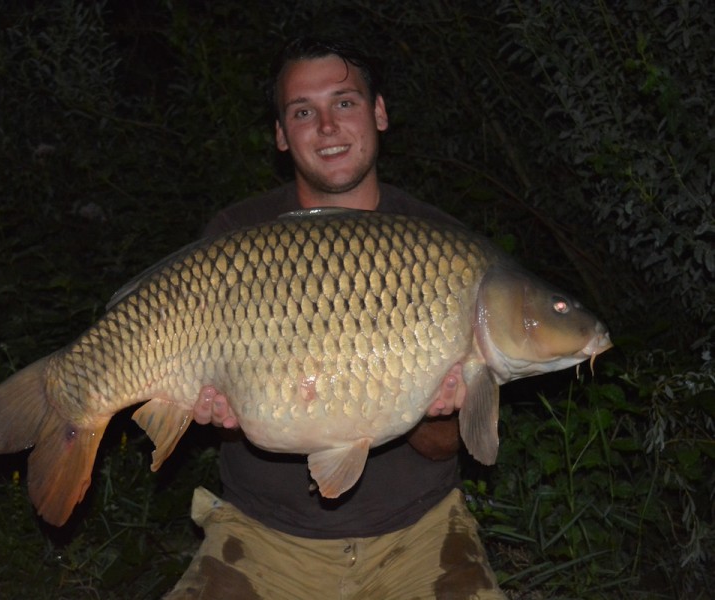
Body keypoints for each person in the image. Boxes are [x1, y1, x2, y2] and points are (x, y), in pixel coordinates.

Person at [164, 36, 506, 600]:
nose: (326, 126)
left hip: (419, 537)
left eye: (344, 103)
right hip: (262, 537)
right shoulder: (237, 236)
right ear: (280, 135)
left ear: (378, 113)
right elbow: (198, 392)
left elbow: (445, 446)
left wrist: (434, 407)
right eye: (303, 111)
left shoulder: (444, 247)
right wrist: (198, 402)